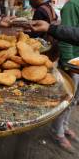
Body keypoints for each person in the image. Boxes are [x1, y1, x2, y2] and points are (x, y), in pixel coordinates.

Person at [32, 19, 79, 153]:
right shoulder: (74, 4)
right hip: (73, 64)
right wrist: (69, 64)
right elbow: (71, 34)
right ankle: (57, 132)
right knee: (65, 101)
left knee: (73, 100)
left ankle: (64, 126)